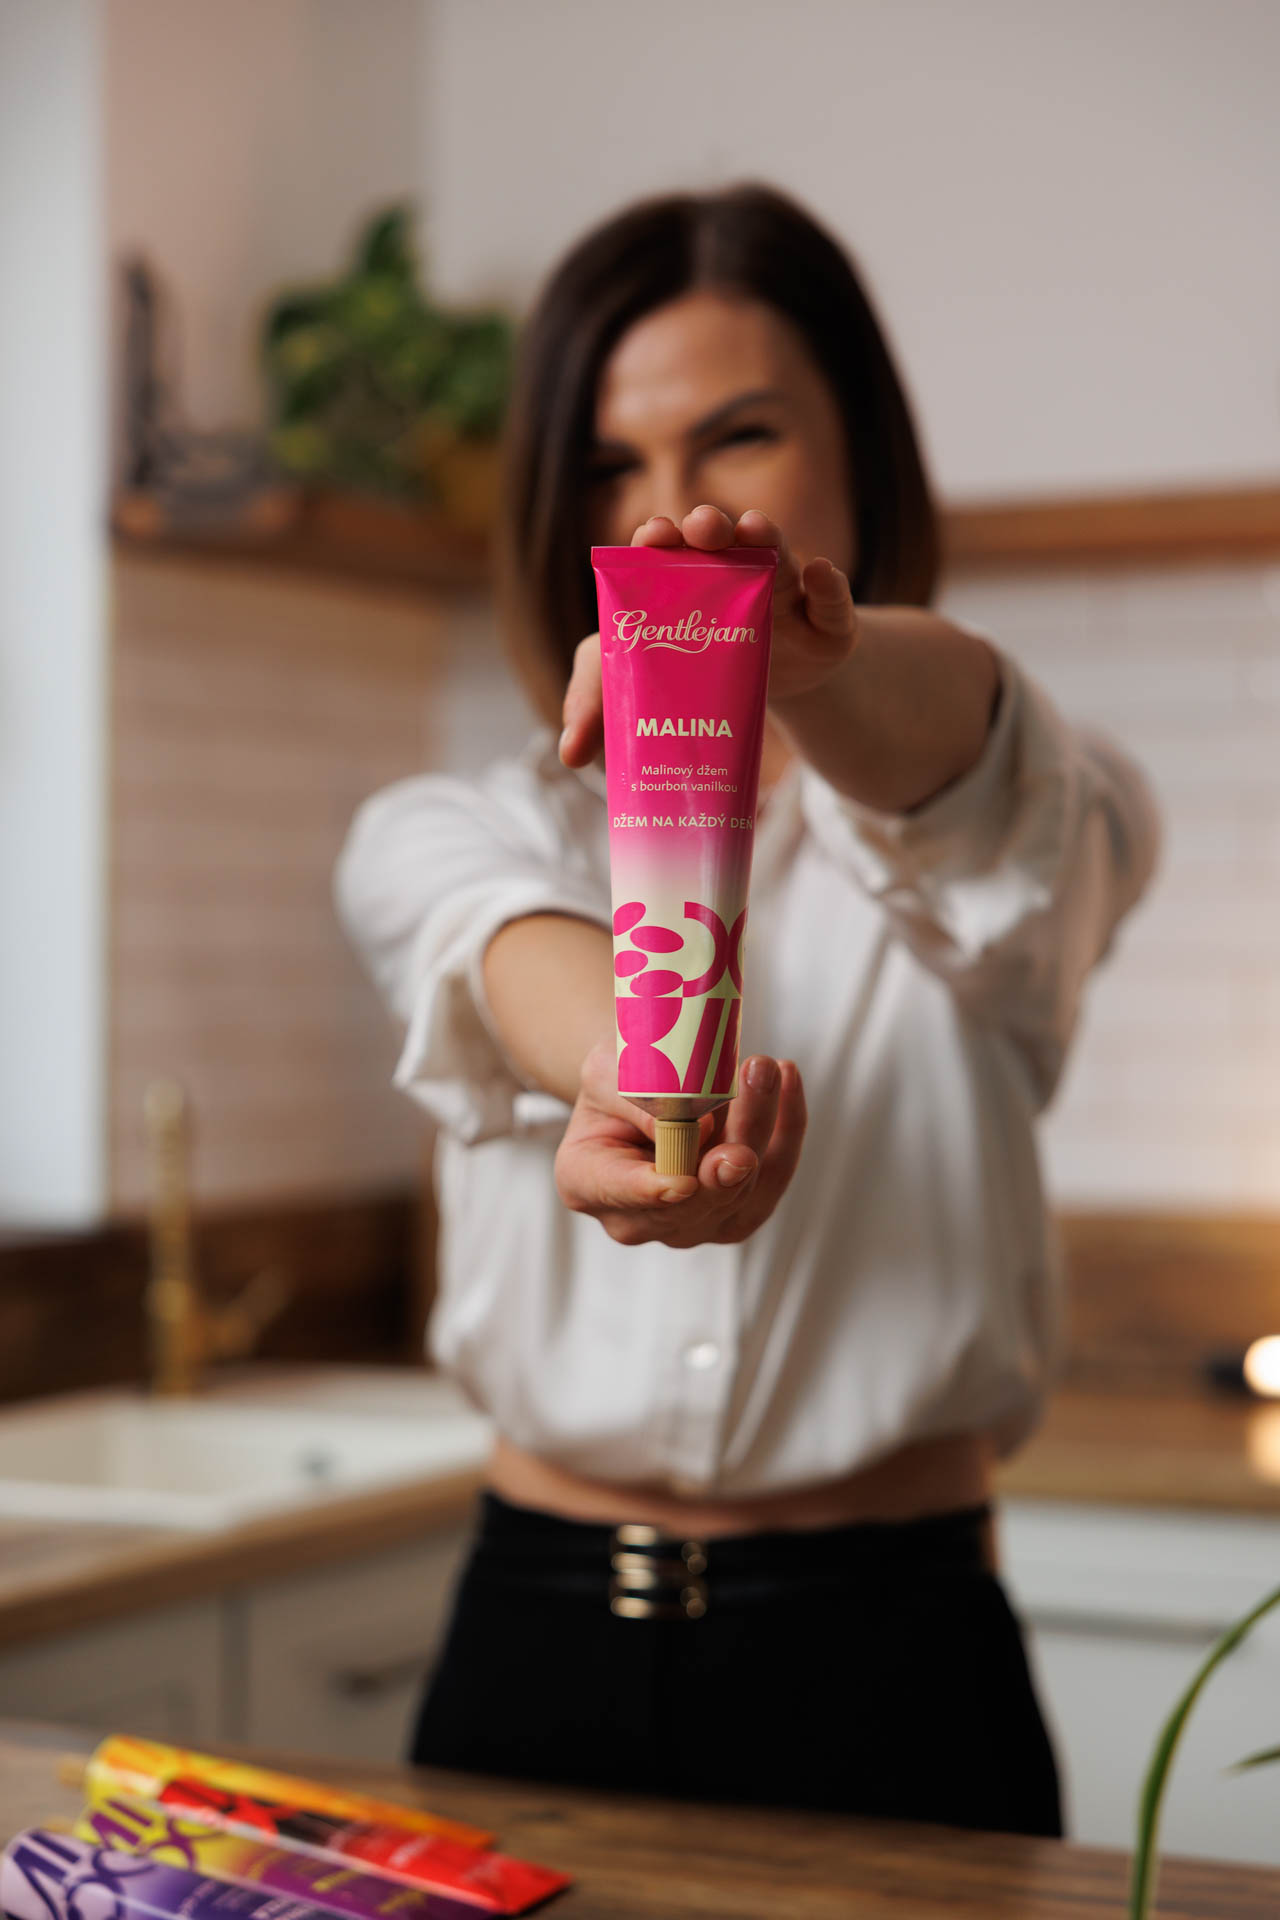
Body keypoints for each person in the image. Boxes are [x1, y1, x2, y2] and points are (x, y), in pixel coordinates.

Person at [336, 184, 1158, 1834]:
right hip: (531, 1650)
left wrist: (810, 658)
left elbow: (979, 756)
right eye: (608, 465)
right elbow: (506, 946)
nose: (671, 513)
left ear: (865, 458)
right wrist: (635, 1080)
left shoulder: (1056, 805)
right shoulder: (445, 823)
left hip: (900, 1662)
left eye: (741, 437)